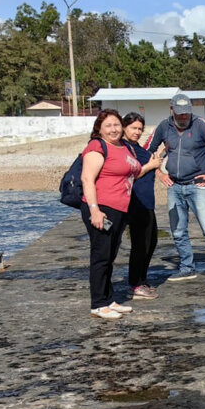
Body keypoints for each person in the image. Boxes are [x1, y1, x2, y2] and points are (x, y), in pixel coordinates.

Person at [80, 109, 164, 319]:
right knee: (101, 256)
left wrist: (155, 165)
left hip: (119, 209)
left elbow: (135, 171)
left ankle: (109, 300)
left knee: (110, 255)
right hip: (102, 208)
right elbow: (87, 180)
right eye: (108, 125)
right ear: (99, 128)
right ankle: (98, 304)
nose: (114, 129)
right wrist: (94, 210)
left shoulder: (122, 148)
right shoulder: (96, 147)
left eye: (116, 125)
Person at [144, 93, 205, 284]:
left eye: (186, 113)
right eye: (179, 114)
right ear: (172, 110)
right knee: (178, 231)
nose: (183, 117)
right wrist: (159, 173)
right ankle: (187, 268)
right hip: (174, 186)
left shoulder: (201, 125)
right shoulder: (163, 127)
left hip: (197, 186)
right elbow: (146, 150)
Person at [122, 112, 164, 299]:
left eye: (140, 129)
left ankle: (142, 279)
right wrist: (151, 165)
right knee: (140, 244)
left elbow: (148, 161)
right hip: (134, 201)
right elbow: (130, 173)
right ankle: (135, 284)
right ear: (124, 127)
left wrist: (158, 158)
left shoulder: (137, 147)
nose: (137, 132)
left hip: (147, 202)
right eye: (133, 128)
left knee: (151, 242)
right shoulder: (123, 148)